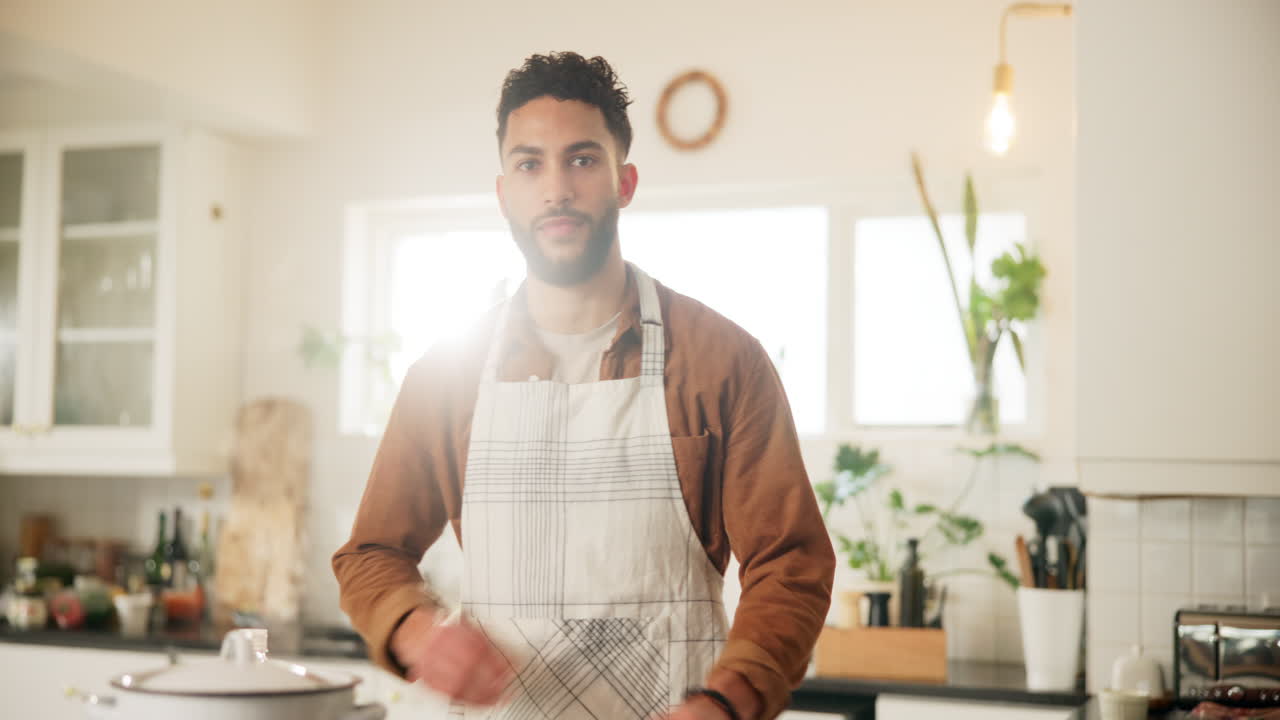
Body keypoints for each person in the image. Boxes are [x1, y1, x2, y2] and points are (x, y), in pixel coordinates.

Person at [332, 51, 834, 720]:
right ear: (504, 190)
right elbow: (370, 554)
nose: (556, 189)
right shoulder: (445, 379)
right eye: (530, 163)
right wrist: (417, 631)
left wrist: (728, 701)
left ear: (624, 182)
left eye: (582, 159)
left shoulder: (722, 361)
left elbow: (790, 566)